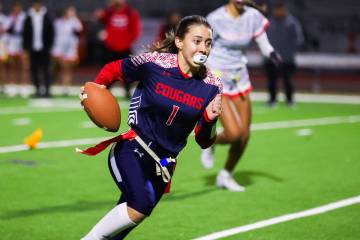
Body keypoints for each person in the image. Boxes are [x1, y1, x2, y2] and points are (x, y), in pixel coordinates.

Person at [79, 15, 222, 239]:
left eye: (208, 43)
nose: (203, 48)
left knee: (122, 226)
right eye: (197, 41)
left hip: (164, 165)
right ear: (179, 42)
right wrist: (95, 89)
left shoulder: (212, 85)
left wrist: (211, 120)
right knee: (140, 206)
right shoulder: (155, 63)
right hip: (133, 148)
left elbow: (205, 140)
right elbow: (114, 69)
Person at [201, 0, 281, 191]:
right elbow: (203, 47)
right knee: (234, 133)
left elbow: (264, 44)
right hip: (217, 77)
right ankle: (208, 142)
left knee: (244, 135)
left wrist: (273, 54)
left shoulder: (253, 16)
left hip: (239, 78)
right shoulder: (215, 18)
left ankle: (226, 174)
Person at [95, 0, 141, 99]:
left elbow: (136, 31)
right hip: (110, 48)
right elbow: (100, 18)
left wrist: (126, 42)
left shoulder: (130, 13)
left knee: (127, 71)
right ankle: (104, 91)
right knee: (107, 70)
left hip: (124, 48)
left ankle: (128, 92)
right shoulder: (109, 12)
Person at [264, 1, 304, 107]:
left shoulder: (292, 22)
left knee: (288, 81)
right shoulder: (268, 22)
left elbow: (299, 39)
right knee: (271, 81)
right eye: (276, 9)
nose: (278, 11)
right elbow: (262, 38)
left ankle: (290, 100)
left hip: (287, 58)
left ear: (284, 9)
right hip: (271, 58)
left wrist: (290, 51)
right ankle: (272, 100)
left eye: (280, 9)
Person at [23, 0, 54, 97]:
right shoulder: (29, 17)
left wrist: (49, 46)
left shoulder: (47, 17)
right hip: (33, 49)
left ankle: (47, 91)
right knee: (34, 70)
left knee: (46, 70)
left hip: (44, 49)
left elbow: (51, 33)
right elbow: (25, 34)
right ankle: (37, 90)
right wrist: (26, 48)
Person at [52, 6, 83, 96]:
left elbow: (79, 31)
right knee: (58, 67)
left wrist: (74, 19)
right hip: (58, 48)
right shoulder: (58, 22)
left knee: (67, 68)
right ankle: (56, 83)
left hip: (70, 49)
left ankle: (66, 87)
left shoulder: (75, 22)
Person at [5, 2, 29, 97]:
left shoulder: (24, 17)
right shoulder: (10, 18)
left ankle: (24, 87)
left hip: (22, 41)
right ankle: (12, 86)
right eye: (15, 8)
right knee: (12, 65)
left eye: (18, 7)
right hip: (12, 41)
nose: (17, 9)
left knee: (23, 65)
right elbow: (6, 30)